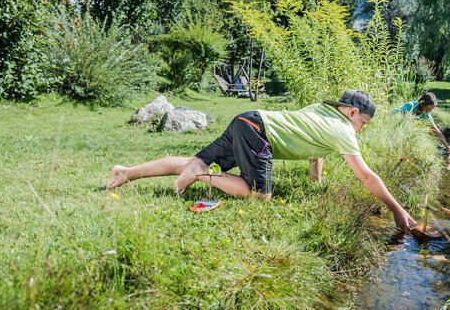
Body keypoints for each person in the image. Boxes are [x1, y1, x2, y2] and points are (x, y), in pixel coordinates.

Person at [107, 90, 417, 231]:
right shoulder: (343, 130)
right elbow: (366, 176)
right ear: (352, 113)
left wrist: (317, 183)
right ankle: (198, 176)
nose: (361, 129)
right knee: (259, 193)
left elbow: (315, 151)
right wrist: (397, 209)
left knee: (194, 158)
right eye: (364, 122)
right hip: (258, 131)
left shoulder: (322, 113)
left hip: (248, 119)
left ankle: (126, 172)